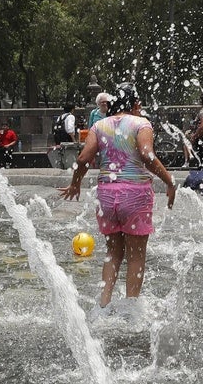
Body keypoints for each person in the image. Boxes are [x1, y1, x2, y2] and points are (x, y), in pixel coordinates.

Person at [58, 82, 176, 308]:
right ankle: (132, 309)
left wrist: (76, 184)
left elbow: (82, 159)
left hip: (107, 196)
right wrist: (169, 181)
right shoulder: (141, 123)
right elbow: (146, 154)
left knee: (112, 253)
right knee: (136, 255)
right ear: (135, 104)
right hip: (135, 195)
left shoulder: (99, 126)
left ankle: (103, 305)